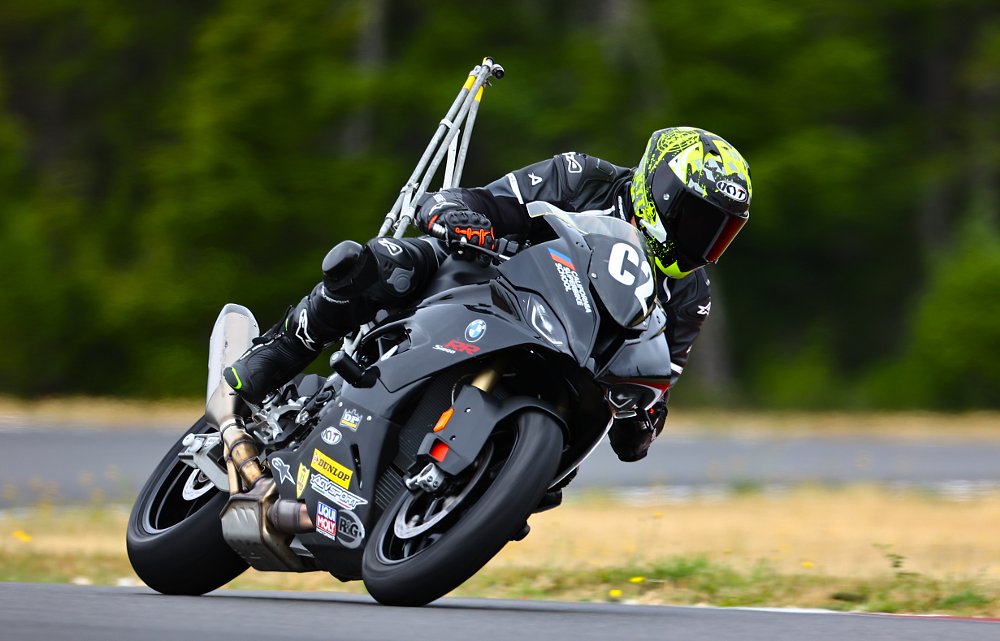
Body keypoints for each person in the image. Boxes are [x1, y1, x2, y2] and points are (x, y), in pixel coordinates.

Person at [223, 127, 752, 462]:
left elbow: (657, 385)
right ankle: (282, 350)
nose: (704, 240)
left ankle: (485, 490)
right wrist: (456, 216)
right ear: (657, 189)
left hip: (568, 376)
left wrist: (642, 416)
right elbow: (486, 200)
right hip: (490, 289)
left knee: (560, 471)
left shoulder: (691, 294)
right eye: (698, 218)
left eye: (720, 232)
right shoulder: (584, 177)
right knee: (388, 263)